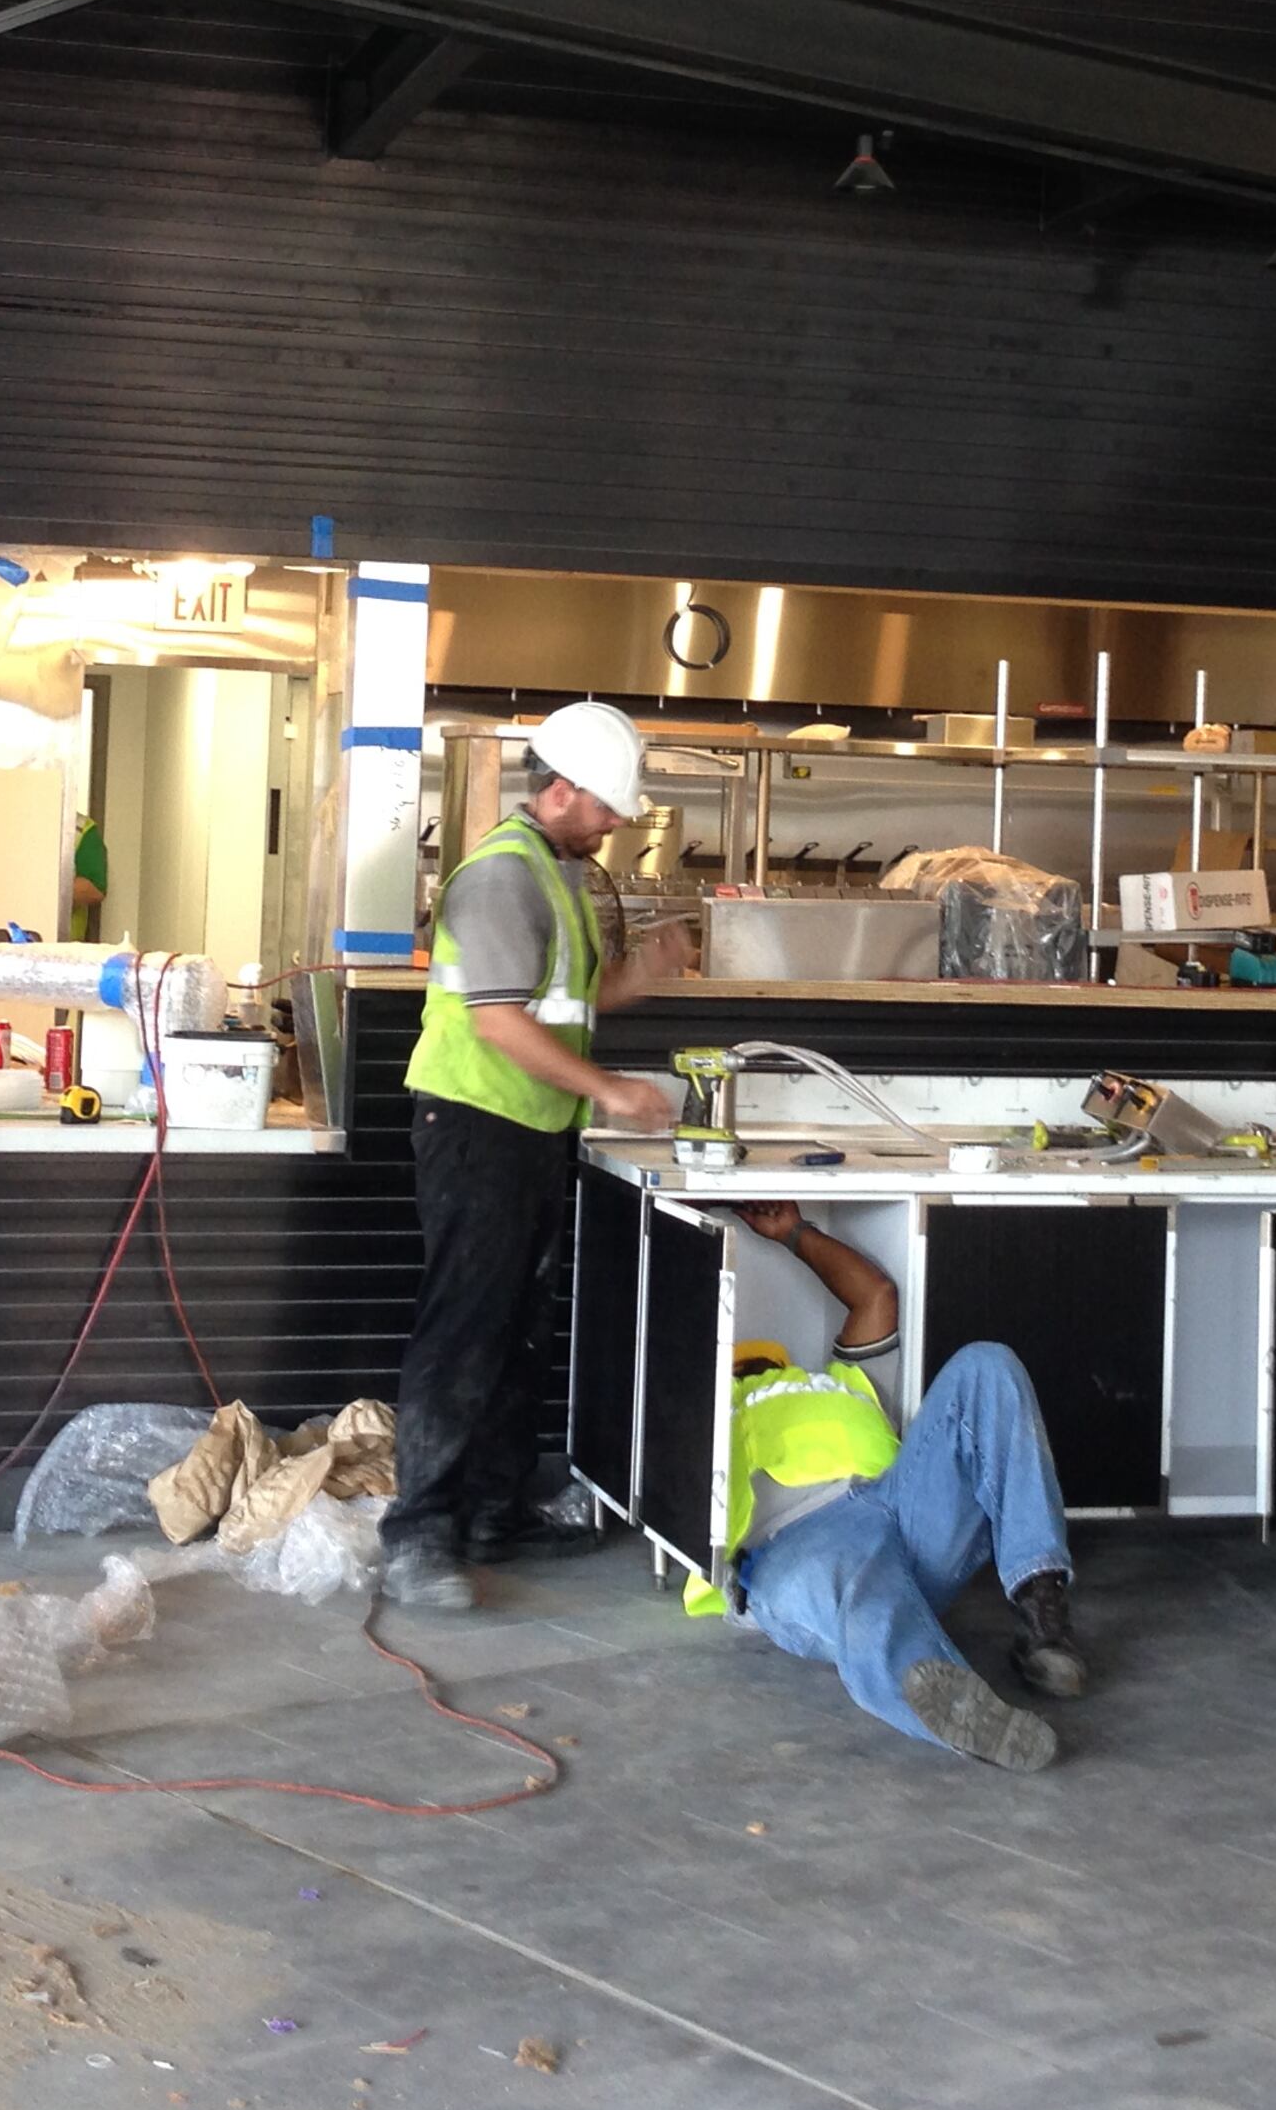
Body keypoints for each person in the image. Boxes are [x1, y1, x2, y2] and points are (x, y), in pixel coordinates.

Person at [382, 701, 693, 1611]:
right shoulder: (500, 878)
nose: (617, 821)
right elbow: (498, 1019)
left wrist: (644, 975)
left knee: (517, 1327)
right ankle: (418, 1537)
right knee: (463, 1331)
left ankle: (491, 1511)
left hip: (526, 1129)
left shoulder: (556, 872)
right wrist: (609, 1091)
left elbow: (568, 995)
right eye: (605, 805)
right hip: (477, 1126)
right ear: (557, 792)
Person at [688, 1198, 1086, 1772]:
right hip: (797, 1542)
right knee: (860, 1598)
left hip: (902, 1506)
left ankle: (1043, 1611)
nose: (754, 1369)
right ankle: (956, 1708)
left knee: (987, 1364)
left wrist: (793, 1233)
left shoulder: (841, 1382)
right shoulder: (720, 1411)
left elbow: (875, 1295)